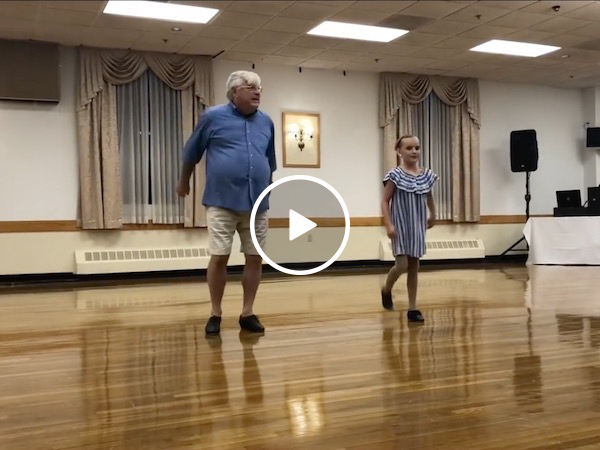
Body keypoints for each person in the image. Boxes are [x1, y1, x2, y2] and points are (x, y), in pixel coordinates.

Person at [176, 70, 276, 336]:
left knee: (254, 257)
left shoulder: (266, 122)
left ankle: (247, 313)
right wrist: (184, 182)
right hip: (221, 200)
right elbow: (191, 153)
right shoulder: (212, 117)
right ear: (234, 92)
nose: (257, 91)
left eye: (259, 87)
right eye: (250, 87)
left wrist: (269, 189)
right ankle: (215, 313)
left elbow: (269, 161)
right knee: (219, 256)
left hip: (257, 203)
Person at [380, 135, 438, 323]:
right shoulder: (395, 175)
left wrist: (433, 214)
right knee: (402, 265)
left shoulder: (426, 175)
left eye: (417, 148)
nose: (414, 151)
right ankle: (387, 288)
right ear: (399, 151)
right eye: (409, 148)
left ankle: (413, 308)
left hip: (417, 225)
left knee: (414, 267)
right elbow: (385, 200)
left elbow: (428, 196)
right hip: (400, 226)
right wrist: (388, 224)